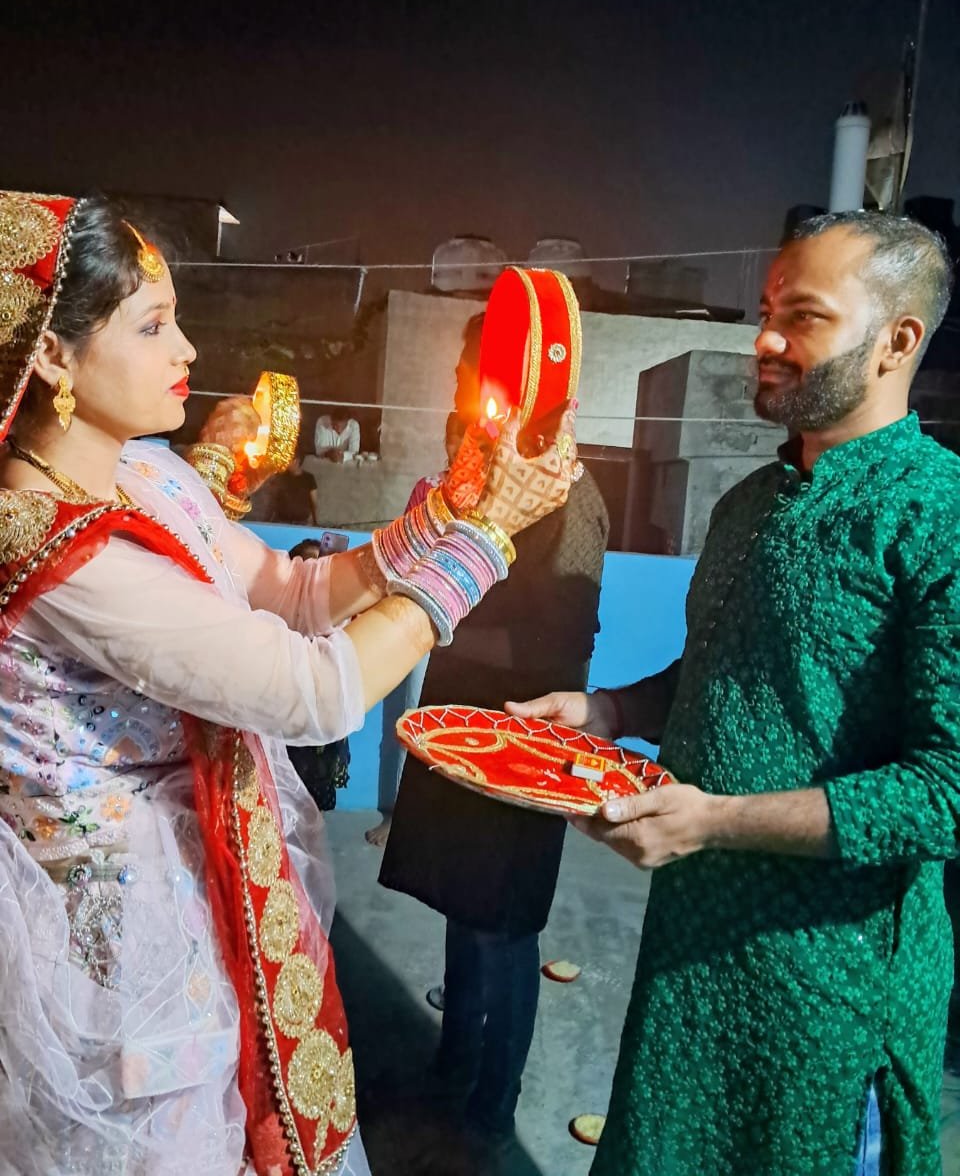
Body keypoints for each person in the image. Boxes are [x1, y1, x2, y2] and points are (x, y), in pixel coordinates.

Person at [0, 191, 575, 1176]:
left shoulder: (147, 476)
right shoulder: (49, 544)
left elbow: (293, 591)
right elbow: (313, 691)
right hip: (123, 940)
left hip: (203, 890)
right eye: (152, 325)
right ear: (51, 354)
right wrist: (483, 541)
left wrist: (450, 510)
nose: (188, 349)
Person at [510, 211, 960, 1176]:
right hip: (690, 961)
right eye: (765, 311)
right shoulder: (749, 502)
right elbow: (722, 673)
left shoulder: (939, 515)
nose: (764, 339)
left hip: (829, 1002)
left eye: (803, 316)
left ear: (897, 341)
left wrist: (714, 821)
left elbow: (945, 791)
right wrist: (608, 712)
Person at [379, 395, 609, 1152]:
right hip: (463, 737)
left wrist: (432, 619)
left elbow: (558, 651)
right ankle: (453, 1064)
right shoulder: (488, 483)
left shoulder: (573, 500)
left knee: (502, 927)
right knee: (461, 904)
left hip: (520, 748)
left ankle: (492, 1104)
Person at [365, 410, 465, 848]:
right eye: (457, 438)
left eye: (474, 440)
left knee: (454, 725)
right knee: (404, 717)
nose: (463, 447)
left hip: (469, 627)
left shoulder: (492, 499)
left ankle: (441, 820)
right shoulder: (428, 490)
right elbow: (406, 551)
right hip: (420, 616)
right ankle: (394, 815)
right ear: (447, 441)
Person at [284, 540, 351, 812]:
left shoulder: (338, 623)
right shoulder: (277, 624)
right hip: (286, 733)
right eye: (308, 571)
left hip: (323, 740)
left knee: (316, 804)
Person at [259, 455, 319, 525]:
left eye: (289, 461)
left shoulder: (309, 478)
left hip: (301, 522)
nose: (287, 464)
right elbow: (272, 500)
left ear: (297, 461)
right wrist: (267, 520)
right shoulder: (281, 477)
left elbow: (314, 502)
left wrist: (315, 521)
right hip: (282, 521)